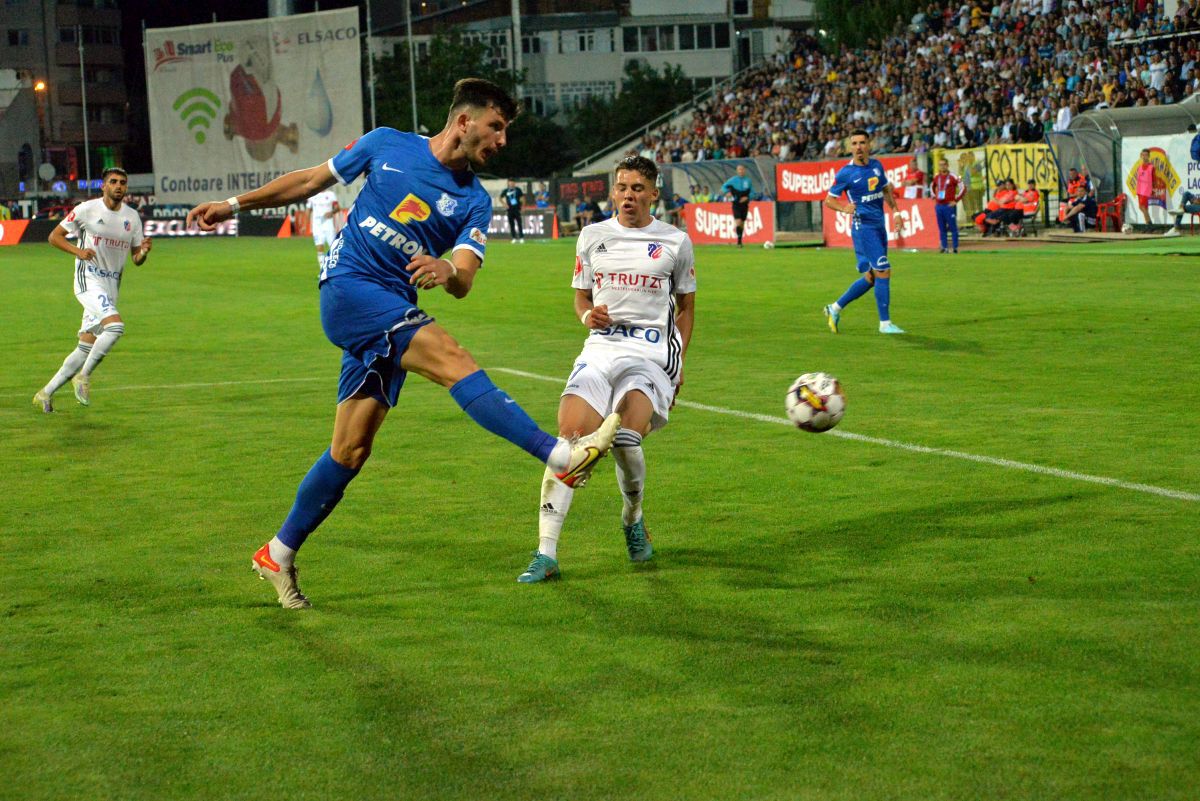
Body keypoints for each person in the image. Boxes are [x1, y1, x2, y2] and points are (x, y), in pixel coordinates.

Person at [185, 78, 619, 609]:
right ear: (464, 121)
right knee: (452, 358)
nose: (502, 140)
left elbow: (462, 280)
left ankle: (278, 552)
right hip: (349, 289)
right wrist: (233, 204)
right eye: (497, 127)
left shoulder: (474, 202)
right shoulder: (387, 143)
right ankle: (556, 454)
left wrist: (446, 269)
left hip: (390, 309)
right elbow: (309, 182)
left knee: (350, 450)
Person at [518, 156, 696, 583]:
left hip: (650, 355)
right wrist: (586, 317)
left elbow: (687, 306)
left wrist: (680, 359)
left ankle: (632, 519)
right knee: (567, 445)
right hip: (600, 349)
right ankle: (546, 554)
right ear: (613, 192)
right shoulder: (592, 236)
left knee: (627, 440)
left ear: (654, 193)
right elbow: (581, 296)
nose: (628, 195)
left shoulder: (675, 241)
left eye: (637, 188)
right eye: (621, 187)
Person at [33, 168, 152, 413]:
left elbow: (136, 259)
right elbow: (54, 237)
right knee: (116, 327)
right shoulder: (87, 209)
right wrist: (79, 252)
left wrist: (144, 253)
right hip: (88, 280)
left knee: (84, 347)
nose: (118, 186)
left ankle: (45, 393)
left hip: (111, 286)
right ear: (104, 186)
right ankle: (83, 376)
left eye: (122, 183)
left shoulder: (132, 217)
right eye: (113, 182)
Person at [821, 129, 905, 335]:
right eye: (854, 143)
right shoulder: (845, 173)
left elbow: (885, 189)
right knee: (883, 270)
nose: (858, 147)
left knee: (872, 277)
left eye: (862, 143)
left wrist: (895, 212)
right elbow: (829, 200)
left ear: (869, 145)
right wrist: (843, 208)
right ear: (850, 147)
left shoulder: (877, 166)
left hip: (878, 225)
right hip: (863, 227)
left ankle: (834, 308)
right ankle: (885, 324)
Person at [931, 157, 964, 253]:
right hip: (939, 206)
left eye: (944, 164)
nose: (942, 166)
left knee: (953, 227)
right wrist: (934, 196)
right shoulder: (937, 177)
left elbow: (963, 188)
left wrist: (956, 200)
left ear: (947, 165)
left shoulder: (953, 176)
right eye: (940, 165)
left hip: (949, 206)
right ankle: (944, 247)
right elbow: (932, 186)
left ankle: (955, 248)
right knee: (941, 228)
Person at [304, 187, 341, 269]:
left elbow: (338, 207)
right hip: (317, 226)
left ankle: (335, 268)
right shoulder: (312, 196)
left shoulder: (331, 194)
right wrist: (304, 225)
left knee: (333, 247)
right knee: (319, 248)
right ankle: (322, 270)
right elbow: (308, 210)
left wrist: (331, 212)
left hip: (329, 225)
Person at [720, 165, 753, 247]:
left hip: (745, 204)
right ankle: (738, 242)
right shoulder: (733, 180)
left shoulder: (748, 181)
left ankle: (740, 240)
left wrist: (747, 197)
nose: (741, 171)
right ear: (737, 171)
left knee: (742, 223)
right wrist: (727, 192)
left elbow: (752, 192)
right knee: (738, 221)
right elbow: (723, 187)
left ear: (744, 170)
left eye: (742, 169)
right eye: (739, 169)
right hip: (736, 204)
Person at [1134, 148, 1157, 226]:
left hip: (1146, 189)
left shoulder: (1151, 167)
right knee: (1144, 208)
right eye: (1143, 155)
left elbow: (1154, 179)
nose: (1144, 157)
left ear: (1148, 156)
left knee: (1142, 206)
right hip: (1140, 189)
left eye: (1146, 155)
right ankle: (1148, 224)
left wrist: (1153, 189)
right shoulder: (1139, 167)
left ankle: (1149, 223)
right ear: (1141, 156)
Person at [500, 178, 525, 242]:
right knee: (511, 224)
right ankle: (514, 237)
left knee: (519, 223)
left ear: (514, 183)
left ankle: (521, 237)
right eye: (510, 182)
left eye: (512, 182)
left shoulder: (518, 190)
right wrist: (504, 204)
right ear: (508, 183)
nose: (511, 183)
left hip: (517, 208)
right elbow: (500, 198)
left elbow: (522, 198)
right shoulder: (506, 190)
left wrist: (522, 206)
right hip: (509, 209)